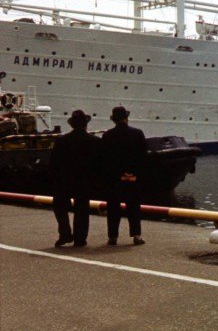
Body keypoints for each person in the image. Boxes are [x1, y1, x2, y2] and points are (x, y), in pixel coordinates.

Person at [50, 109, 103, 247]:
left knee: (59, 207)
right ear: (86, 124)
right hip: (85, 180)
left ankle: (65, 233)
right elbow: (99, 164)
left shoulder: (61, 140)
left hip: (65, 180)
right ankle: (80, 238)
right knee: (82, 210)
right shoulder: (95, 141)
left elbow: (54, 163)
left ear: (71, 124)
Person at [102, 106, 148, 246]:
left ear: (114, 120)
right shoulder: (137, 133)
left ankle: (113, 237)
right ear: (126, 118)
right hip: (132, 177)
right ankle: (136, 235)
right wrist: (134, 174)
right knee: (133, 207)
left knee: (113, 208)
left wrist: (117, 175)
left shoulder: (108, 135)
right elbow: (143, 157)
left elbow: (105, 159)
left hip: (115, 178)